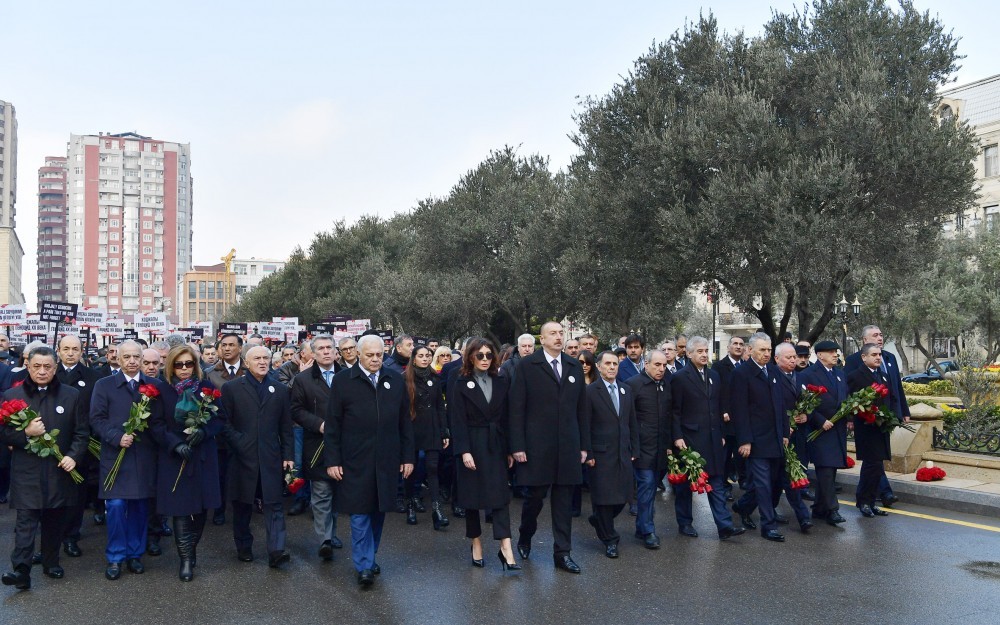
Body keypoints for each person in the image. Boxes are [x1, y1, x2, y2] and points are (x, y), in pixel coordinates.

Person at [324, 334, 415, 587]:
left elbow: (404, 422)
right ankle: (363, 564)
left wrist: (408, 457)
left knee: (378, 510)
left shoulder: (394, 379)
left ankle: (369, 555)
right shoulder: (343, 381)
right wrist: (333, 460)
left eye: (379, 355)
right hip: (354, 460)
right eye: (370, 355)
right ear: (358, 355)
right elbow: (333, 424)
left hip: (387, 459)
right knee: (360, 512)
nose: (375, 359)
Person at [1, 346, 88, 590]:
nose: (42, 371)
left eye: (47, 366)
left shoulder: (71, 395)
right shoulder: (11, 395)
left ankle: (51, 562)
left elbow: (81, 432)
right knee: (26, 522)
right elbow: (4, 433)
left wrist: (73, 456)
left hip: (58, 469)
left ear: (55, 367)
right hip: (27, 470)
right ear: (27, 366)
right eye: (36, 366)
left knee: (54, 518)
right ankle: (21, 570)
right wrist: (25, 434)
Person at [509, 321, 589, 574]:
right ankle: (525, 535)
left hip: (568, 446)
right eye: (552, 334)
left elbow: (582, 410)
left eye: (560, 333)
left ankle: (562, 553)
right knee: (534, 498)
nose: (558, 337)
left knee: (564, 501)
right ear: (541, 339)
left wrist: (584, 445)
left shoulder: (574, 365)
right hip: (536, 447)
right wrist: (517, 445)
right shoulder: (527, 366)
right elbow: (516, 409)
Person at [90, 340, 165, 580]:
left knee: (139, 508)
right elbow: (97, 418)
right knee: (115, 506)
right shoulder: (104, 385)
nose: (132, 361)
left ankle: (135, 554)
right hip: (115, 457)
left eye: (136, 357)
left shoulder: (155, 386)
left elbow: (161, 422)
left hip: (144, 457)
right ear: (118, 359)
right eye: (127, 357)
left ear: (143, 358)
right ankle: (115, 557)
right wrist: (116, 437)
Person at [153, 345, 225, 581]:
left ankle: (191, 550)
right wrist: (175, 444)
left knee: (202, 508)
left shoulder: (206, 388)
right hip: (175, 458)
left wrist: (204, 432)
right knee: (182, 510)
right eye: (179, 364)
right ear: (171, 365)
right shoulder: (161, 390)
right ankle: (185, 560)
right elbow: (156, 425)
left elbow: (219, 418)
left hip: (203, 456)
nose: (184, 369)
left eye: (189, 364)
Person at [220, 346, 294, 567]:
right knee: (243, 504)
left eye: (266, 358)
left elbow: (286, 427)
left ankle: (276, 550)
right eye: (257, 358)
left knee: (274, 504)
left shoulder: (279, 389)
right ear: (246, 362)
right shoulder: (231, 388)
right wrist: (240, 443)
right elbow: (224, 423)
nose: (262, 362)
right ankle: (243, 545)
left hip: (270, 456)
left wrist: (288, 454)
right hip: (243, 457)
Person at [450, 338, 520, 571]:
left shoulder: (501, 381)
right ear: (470, 357)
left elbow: (508, 418)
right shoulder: (460, 382)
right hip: (472, 444)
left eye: (489, 355)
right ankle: (476, 543)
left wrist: (510, 448)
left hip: (496, 444)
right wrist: (463, 451)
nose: (484, 359)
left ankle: (506, 547)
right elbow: (457, 420)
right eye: (479, 355)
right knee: (472, 498)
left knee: (500, 496)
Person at [671, 336, 744, 540]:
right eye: (700, 351)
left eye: (706, 351)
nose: (704, 355)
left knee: (716, 481)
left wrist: (721, 433)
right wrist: (676, 436)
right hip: (689, 439)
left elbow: (719, 407)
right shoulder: (679, 377)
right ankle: (685, 523)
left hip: (712, 438)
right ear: (690, 353)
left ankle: (724, 526)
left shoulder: (713, 376)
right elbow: (674, 411)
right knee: (686, 485)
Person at [730, 333, 788, 542]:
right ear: (751, 350)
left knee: (770, 482)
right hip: (755, 439)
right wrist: (745, 440)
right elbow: (739, 410)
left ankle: (742, 506)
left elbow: (780, 405)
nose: (766, 354)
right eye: (762, 350)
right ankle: (768, 525)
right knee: (763, 483)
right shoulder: (742, 374)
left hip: (774, 437)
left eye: (769, 350)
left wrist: (784, 432)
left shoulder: (773, 371)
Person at [290, 335, 343, 560]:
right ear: (313, 353)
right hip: (317, 443)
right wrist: (319, 424)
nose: (326, 352)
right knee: (321, 492)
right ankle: (325, 539)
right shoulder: (303, 379)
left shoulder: (348, 376)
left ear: (336, 351)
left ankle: (332, 530)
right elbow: (296, 410)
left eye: (329, 347)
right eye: (320, 348)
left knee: (338, 490)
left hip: (345, 444)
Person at [844, 325, 909, 507]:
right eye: (875, 335)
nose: (880, 338)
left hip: (882, 423)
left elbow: (896, 390)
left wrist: (903, 411)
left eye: (881, 335)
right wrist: (850, 418)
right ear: (865, 342)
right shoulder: (854, 366)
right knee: (872, 463)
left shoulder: (887, 365)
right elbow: (848, 395)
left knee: (876, 462)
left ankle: (870, 501)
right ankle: (870, 499)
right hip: (866, 424)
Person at [584, 351, 639, 559]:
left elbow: (631, 421)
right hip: (600, 453)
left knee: (623, 496)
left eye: (615, 363)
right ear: (598, 366)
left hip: (623, 452)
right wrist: (588, 452)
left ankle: (599, 519)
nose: (612, 367)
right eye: (607, 363)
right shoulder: (590, 391)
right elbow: (585, 425)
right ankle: (610, 539)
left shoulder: (626, 390)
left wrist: (635, 447)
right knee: (605, 498)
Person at [55, 335, 102, 557]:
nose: (71, 353)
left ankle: (71, 536)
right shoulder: (49, 373)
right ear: (59, 350)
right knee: (51, 494)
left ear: (82, 351)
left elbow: (96, 410)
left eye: (75, 349)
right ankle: (50, 538)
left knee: (76, 494)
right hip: (51, 443)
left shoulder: (92, 377)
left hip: (81, 444)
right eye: (66, 349)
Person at [625, 349, 671, 549]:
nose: (661, 369)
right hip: (642, 448)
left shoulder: (667, 385)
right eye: (657, 365)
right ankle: (648, 529)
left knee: (651, 488)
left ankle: (641, 527)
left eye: (664, 365)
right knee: (647, 485)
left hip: (662, 448)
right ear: (647, 364)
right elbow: (626, 418)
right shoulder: (633, 385)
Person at [848, 343, 899, 519]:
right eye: (874, 355)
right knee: (872, 466)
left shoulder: (883, 376)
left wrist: (893, 417)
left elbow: (891, 398)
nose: (878, 357)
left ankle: (870, 502)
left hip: (882, 428)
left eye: (879, 355)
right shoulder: (855, 376)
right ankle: (863, 501)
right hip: (867, 428)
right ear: (864, 357)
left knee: (877, 467)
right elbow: (850, 401)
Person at [802, 340, 850, 525]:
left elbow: (843, 398)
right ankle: (832, 509)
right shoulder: (808, 374)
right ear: (820, 355)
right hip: (820, 430)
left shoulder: (839, 374)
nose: (835, 355)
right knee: (825, 470)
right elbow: (804, 403)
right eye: (831, 352)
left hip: (837, 429)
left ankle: (820, 508)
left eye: (836, 352)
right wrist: (821, 421)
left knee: (831, 469)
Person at [402, 345, 450, 529]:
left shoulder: (435, 378)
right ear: (413, 359)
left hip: (432, 428)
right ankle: (410, 505)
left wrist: (444, 431)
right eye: (421, 356)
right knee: (410, 469)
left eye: (428, 355)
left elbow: (440, 406)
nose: (425, 358)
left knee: (432, 467)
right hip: (412, 429)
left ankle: (437, 510)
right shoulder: (404, 379)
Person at [769, 342, 814, 533]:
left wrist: (806, 415)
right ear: (777, 359)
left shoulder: (801, 377)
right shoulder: (771, 376)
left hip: (799, 435)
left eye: (794, 357)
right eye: (789, 357)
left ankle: (757, 508)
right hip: (780, 435)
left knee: (782, 478)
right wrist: (786, 423)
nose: (793, 360)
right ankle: (803, 516)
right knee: (786, 478)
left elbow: (807, 403)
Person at [713, 336, 746, 498]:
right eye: (735, 344)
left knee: (742, 453)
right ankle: (724, 485)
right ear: (728, 347)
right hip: (726, 419)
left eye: (741, 344)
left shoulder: (746, 366)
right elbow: (717, 392)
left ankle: (743, 480)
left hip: (743, 419)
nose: (738, 347)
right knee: (725, 456)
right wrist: (723, 411)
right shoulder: (719, 367)